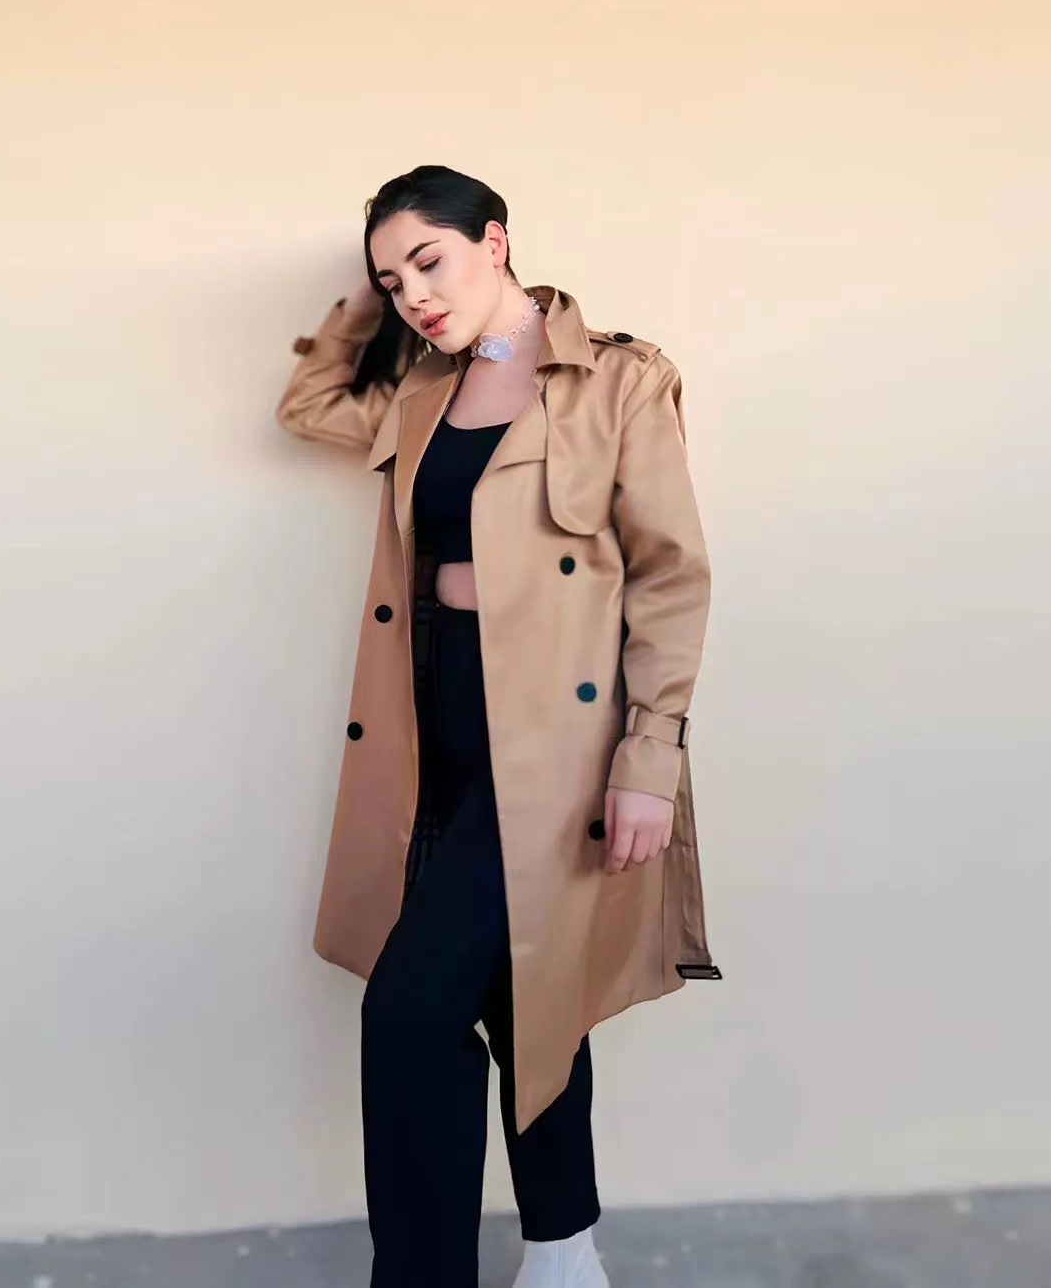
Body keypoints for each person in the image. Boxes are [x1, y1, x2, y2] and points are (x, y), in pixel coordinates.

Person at [276, 165, 720, 1288]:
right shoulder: (422, 390)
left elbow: (669, 577)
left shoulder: (619, 379)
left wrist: (649, 759)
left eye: (428, 260)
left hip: (558, 753)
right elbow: (308, 406)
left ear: (496, 240)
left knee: (411, 1011)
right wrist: (363, 305)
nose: (414, 294)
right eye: (392, 281)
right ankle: (565, 1256)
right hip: (431, 733)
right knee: (525, 996)